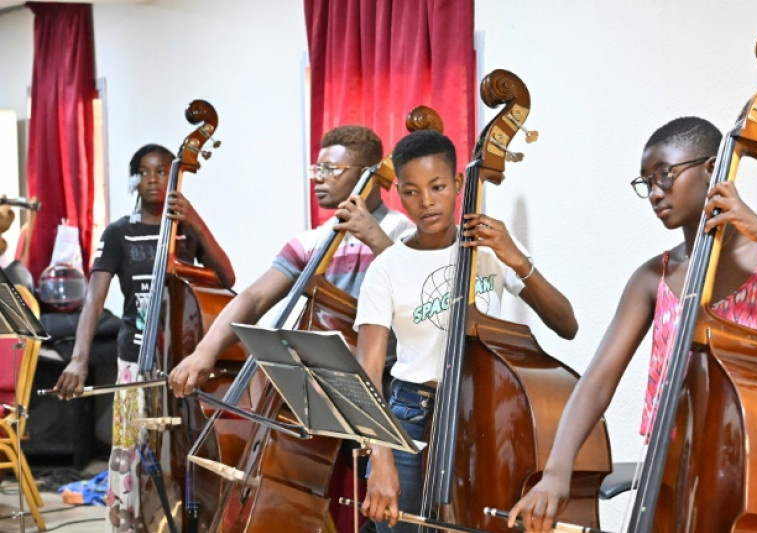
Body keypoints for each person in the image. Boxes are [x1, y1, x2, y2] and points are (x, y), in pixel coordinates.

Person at [507, 116, 757, 533]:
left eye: (665, 175)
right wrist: (556, 472)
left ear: (712, 169)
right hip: (679, 474)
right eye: (646, 182)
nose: (655, 193)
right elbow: (598, 381)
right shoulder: (651, 279)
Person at [355, 130, 580, 533]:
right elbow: (368, 370)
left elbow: (566, 324)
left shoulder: (488, 250)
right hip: (410, 418)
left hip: (482, 415)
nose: (426, 202)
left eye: (438, 187)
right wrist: (381, 457)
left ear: (459, 184)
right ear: (399, 195)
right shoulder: (387, 268)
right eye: (411, 191)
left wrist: (514, 256)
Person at [52, 143, 236, 533]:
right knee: (134, 449)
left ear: (175, 179)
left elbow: (227, 280)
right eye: (145, 172)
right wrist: (79, 359)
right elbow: (94, 300)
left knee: (182, 448)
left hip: (182, 360)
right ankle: (131, 524)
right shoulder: (120, 232)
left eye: (163, 172)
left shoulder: (185, 232)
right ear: (134, 179)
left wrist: (198, 224)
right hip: (136, 357)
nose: (154, 180)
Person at [168, 124, 413, 396]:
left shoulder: (401, 232)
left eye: (329, 169)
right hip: (320, 384)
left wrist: (375, 238)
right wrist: (205, 351)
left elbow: (416, 295)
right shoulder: (313, 242)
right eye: (316, 170)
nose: (318, 178)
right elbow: (254, 298)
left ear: (367, 172)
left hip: (390, 385)